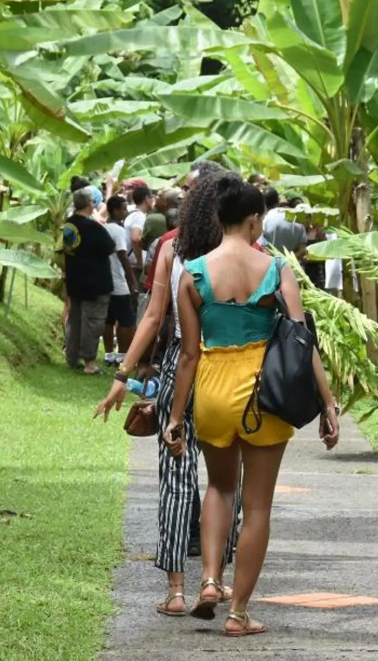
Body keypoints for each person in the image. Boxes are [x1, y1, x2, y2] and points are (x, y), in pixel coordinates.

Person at [165, 173, 339, 636]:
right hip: (261, 393)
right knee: (257, 507)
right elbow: (301, 340)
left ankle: (207, 581)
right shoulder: (276, 269)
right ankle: (239, 613)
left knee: (220, 488)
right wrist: (327, 402)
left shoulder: (193, 272)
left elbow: (188, 354)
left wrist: (177, 416)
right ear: (254, 219)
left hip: (213, 389)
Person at [92, 169, 242, 616]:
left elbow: (154, 318)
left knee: (175, 480)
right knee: (225, 480)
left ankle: (176, 590)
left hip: (179, 366)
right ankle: (214, 580)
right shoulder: (247, 255)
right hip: (228, 372)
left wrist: (123, 375)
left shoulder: (172, 250)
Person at [62, 188, 115, 375]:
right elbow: (110, 246)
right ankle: (89, 363)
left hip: (75, 279)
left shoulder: (69, 225)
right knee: (92, 322)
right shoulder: (92, 227)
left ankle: (72, 356)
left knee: (75, 320)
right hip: (94, 282)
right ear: (89, 204)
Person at [102, 195, 137, 366]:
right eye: (123, 208)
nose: (125, 211)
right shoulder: (119, 231)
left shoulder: (102, 228)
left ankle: (109, 353)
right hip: (118, 280)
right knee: (126, 320)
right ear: (115, 210)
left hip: (105, 280)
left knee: (108, 319)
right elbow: (123, 255)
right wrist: (133, 282)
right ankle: (122, 354)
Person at [260, 187, 308, 257]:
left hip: (272, 264)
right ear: (278, 200)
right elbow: (303, 250)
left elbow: (263, 249)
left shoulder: (264, 221)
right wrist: (288, 260)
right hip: (293, 265)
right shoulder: (295, 217)